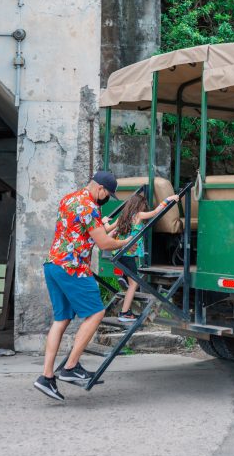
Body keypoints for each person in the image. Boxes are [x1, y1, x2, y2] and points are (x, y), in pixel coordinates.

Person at [33, 170, 133, 402]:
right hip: (73, 267)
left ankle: (46, 377)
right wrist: (125, 241)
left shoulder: (70, 199)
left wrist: (111, 226)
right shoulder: (89, 207)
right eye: (107, 194)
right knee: (97, 312)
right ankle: (70, 367)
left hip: (54, 265)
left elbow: (82, 232)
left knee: (61, 320)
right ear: (100, 188)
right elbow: (104, 243)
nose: (106, 198)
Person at [106, 190, 177, 323]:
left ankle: (124, 284)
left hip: (119, 253)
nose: (145, 208)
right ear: (139, 205)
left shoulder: (123, 217)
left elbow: (108, 229)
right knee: (134, 284)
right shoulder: (138, 215)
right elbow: (156, 212)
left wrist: (104, 221)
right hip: (127, 254)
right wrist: (170, 199)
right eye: (144, 205)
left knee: (131, 281)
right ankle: (125, 313)